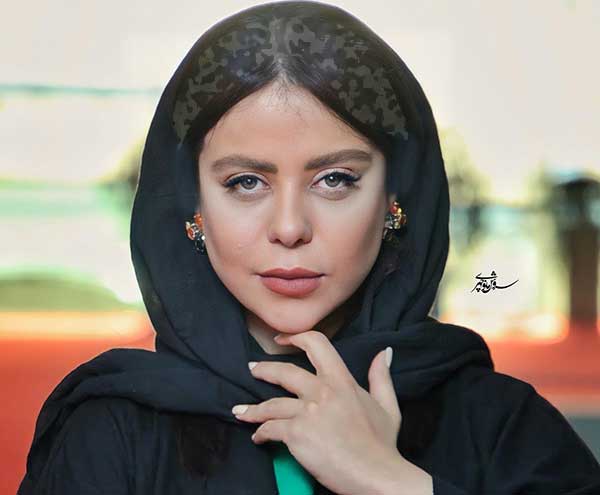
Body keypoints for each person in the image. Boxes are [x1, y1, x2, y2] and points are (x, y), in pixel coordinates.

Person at [18, 1, 600, 494]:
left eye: (335, 179)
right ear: (193, 207)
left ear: (395, 199)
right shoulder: (112, 431)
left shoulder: (503, 426)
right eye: (246, 182)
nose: (291, 227)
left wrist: (391, 482)